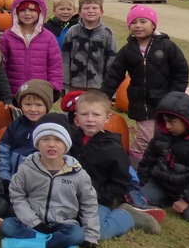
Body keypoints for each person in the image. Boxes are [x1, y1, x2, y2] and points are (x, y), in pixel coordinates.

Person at [101, 5, 189, 168]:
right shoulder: (128, 50)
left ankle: (162, 166)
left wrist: (175, 96)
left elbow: (181, 72)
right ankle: (136, 167)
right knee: (145, 137)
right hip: (140, 103)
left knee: (163, 136)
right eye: (133, 22)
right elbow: (115, 74)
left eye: (143, 21)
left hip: (165, 102)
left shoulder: (167, 47)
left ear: (153, 24)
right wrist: (103, 96)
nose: (138, 26)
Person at [68, 90, 164, 238]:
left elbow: (121, 182)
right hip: (72, 197)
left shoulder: (113, 149)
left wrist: (98, 196)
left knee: (95, 232)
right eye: (84, 114)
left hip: (99, 200)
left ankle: (127, 215)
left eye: (96, 114)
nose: (90, 119)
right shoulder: (70, 140)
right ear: (76, 117)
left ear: (107, 117)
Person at [0, 122, 99, 248]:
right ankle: (60, 247)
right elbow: (17, 196)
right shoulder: (26, 169)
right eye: (45, 139)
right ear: (37, 144)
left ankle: (20, 245)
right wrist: (34, 221)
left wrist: (91, 236)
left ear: (66, 145)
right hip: (32, 223)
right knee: (7, 226)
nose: (51, 144)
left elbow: (89, 204)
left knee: (77, 235)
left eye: (58, 140)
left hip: (63, 224)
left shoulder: (79, 175)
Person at [137, 92, 189, 223]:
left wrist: (187, 200)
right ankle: (167, 200)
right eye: (165, 121)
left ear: (186, 121)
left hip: (186, 188)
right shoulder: (161, 135)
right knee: (139, 200)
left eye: (172, 122)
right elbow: (148, 160)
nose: (168, 126)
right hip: (161, 183)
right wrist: (140, 182)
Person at [0, 0, 62, 100]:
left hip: (39, 93)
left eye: (32, 10)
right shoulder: (7, 37)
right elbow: (0, 66)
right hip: (13, 93)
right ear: (16, 12)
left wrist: (55, 87)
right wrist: (1, 89)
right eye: (23, 10)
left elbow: (55, 66)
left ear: (39, 12)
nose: (27, 14)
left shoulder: (49, 38)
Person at [0, 79, 59, 185]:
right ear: (21, 105)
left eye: (38, 105)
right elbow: (3, 153)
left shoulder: (51, 130)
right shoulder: (14, 126)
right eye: (28, 104)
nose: (33, 109)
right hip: (12, 180)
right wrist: (4, 177)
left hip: (40, 184)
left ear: (47, 107)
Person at [61, 0, 118, 92]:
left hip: (98, 86)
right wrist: (65, 83)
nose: (91, 11)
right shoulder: (72, 31)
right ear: (80, 12)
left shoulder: (107, 33)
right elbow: (65, 58)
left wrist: (108, 85)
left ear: (101, 12)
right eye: (86, 8)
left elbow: (112, 61)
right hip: (75, 85)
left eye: (94, 8)